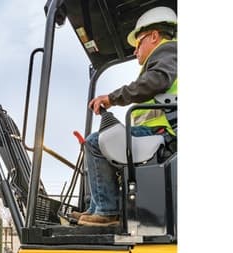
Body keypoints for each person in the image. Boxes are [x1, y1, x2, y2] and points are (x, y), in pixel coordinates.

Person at [75, 6, 177, 226]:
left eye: (138, 43)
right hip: (160, 131)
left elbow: (156, 82)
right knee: (101, 141)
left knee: (95, 143)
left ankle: (107, 211)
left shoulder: (168, 51)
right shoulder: (167, 57)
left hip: (164, 132)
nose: (135, 51)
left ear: (154, 36)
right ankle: (96, 207)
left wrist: (112, 98)